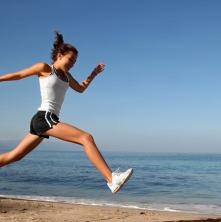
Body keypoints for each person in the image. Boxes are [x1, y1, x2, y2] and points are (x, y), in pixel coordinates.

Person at [0, 31, 133, 194]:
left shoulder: (67, 76)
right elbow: (18, 75)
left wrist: (94, 73)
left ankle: (111, 179)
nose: (72, 64)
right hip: (45, 117)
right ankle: (111, 179)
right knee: (86, 138)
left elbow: (81, 89)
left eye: (75, 62)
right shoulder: (45, 68)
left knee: (15, 156)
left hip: (46, 119)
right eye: (71, 60)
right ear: (60, 55)